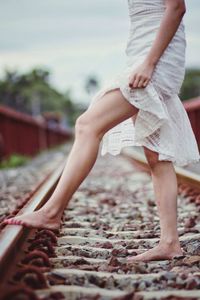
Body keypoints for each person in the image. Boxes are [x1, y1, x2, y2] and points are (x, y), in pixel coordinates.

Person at [3, 0, 200, 262]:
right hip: (145, 54)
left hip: (155, 59)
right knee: (156, 156)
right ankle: (170, 243)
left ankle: (52, 211)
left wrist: (149, 63)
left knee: (87, 125)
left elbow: (177, 7)